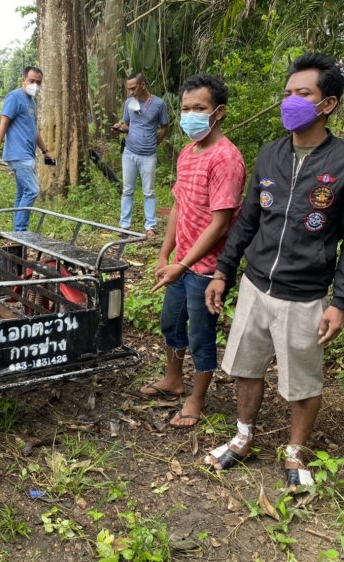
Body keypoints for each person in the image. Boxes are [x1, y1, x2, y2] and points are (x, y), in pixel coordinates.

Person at [203, 53, 344, 488]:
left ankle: (295, 452)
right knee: (246, 366)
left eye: (303, 94)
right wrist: (224, 272)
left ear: (327, 104)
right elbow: (247, 222)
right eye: (287, 93)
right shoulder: (271, 154)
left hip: (306, 293)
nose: (289, 102)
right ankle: (243, 437)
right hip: (256, 284)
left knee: (302, 381)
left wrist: (341, 302)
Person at [142, 74, 245, 428]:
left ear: (218, 113)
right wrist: (164, 255)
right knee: (171, 321)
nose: (190, 116)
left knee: (201, 332)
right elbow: (180, 207)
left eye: (198, 108)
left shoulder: (226, 159)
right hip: (181, 264)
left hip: (206, 269)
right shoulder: (187, 153)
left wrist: (183, 263)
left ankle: (197, 398)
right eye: (185, 109)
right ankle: (173, 379)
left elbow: (220, 223)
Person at [0, 66, 54, 232]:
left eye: (38, 83)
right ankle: (20, 231)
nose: (35, 85)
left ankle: (15, 233)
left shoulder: (32, 102)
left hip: (28, 154)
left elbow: (34, 130)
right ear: (23, 80)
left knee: (22, 194)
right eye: (32, 81)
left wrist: (45, 151)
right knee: (33, 190)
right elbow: (3, 124)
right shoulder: (15, 97)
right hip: (18, 154)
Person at [112, 73, 169, 237]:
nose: (130, 92)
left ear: (143, 85)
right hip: (129, 152)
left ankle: (150, 226)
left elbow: (165, 127)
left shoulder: (158, 104)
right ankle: (124, 225)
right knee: (127, 190)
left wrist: (155, 142)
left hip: (148, 154)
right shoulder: (129, 103)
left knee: (148, 191)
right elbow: (127, 126)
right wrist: (119, 127)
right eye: (128, 89)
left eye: (133, 88)